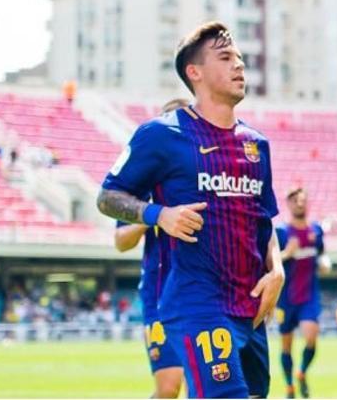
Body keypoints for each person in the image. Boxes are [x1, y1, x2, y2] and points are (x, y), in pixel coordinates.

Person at [97, 22, 284, 399]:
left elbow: (263, 222)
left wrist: (277, 269)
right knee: (174, 389)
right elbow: (108, 197)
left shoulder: (256, 145)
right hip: (196, 301)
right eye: (227, 57)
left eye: (241, 58)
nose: (240, 66)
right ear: (194, 72)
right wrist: (158, 215)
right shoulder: (160, 135)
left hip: (252, 306)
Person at [112, 98, 191, 398]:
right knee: (169, 388)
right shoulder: (140, 185)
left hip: (203, 289)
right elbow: (121, 242)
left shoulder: (203, 177)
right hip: (160, 292)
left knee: (208, 384)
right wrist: (154, 213)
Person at [276, 186, 331, 399]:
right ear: (289, 204)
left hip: (309, 295)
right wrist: (287, 253)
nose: (300, 204)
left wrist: (325, 262)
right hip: (286, 298)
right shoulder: (281, 232)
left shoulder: (316, 230)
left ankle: (301, 372)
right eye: (295, 200)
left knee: (310, 337)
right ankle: (289, 386)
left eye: (302, 200)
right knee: (286, 345)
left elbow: (322, 253)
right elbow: (269, 262)